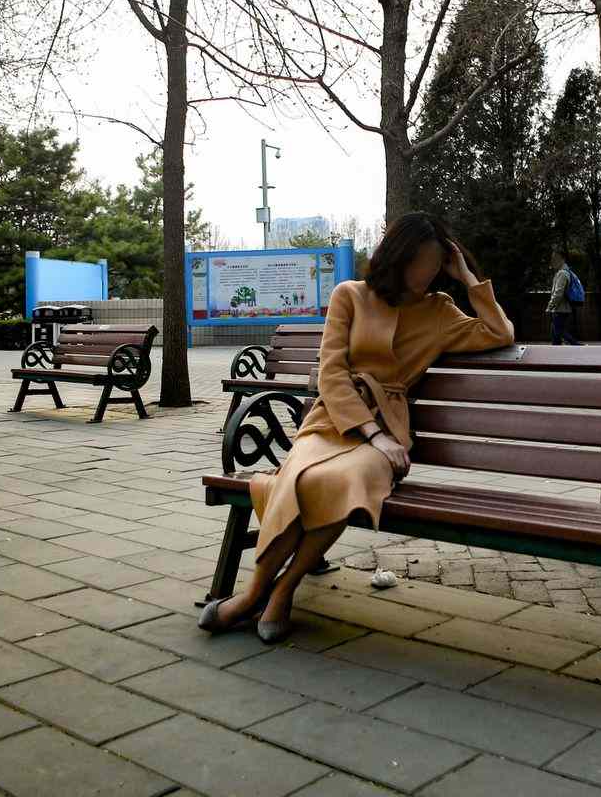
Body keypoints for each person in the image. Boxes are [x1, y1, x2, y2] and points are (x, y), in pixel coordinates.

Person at [198, 212, 514, 643]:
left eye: (435, 261)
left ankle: (281, 591)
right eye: (421, 260)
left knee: (346, 482)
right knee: (300, 478)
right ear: (398, 255)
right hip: (333, 420)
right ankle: (254, 593)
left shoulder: (439, 310)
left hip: (390, 430)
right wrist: (371, 433)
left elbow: (499, 332)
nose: (427, 270)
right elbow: (331, 373)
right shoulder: (350, 295)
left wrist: (468, 277)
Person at [546, 248, 584, 346]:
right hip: (561, 308)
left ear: (562, 259)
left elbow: (558, 293)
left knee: (558, 332)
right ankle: (569, 347)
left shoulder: (562, 273)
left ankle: (577, 346)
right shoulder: (564, 272)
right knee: (556, 334)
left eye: (555, 258)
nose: (553, 260)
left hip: (560, 309)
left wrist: (550, 306)